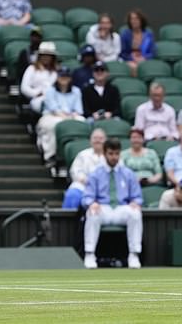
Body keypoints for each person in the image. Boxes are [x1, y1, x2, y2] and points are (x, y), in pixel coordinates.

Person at [82, 138, 143, 269]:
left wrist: (135, 202)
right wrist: (92, 203)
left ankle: (134, 254)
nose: (114, 157)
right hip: (103, 208)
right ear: (104, 154)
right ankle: (90, 254)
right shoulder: (95, 174)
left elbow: (137, 196)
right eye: (111, 153)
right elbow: (87, 197)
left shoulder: (128, 173)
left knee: (135, 213)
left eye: (116, 154)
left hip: (121, 208)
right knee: (91, 212)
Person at [35, 67, 84, 166]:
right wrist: (66, 118)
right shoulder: (50, 90)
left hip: (71, 115)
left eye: (66, 76)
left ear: (70, 78)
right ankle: (50, 156)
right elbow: (54, 109)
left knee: (82, 121)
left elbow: (78, 110)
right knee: (53, 125)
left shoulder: (76, 91)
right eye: (62, 76)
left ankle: (77, 154)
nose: (64, 78)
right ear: (57, 77)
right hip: (51, 116)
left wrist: (71, 117)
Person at [62, 128, 106, 209]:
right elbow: (75, 170)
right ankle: (68, 221)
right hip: (83, 185)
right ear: (90, 140)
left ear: (106, 141)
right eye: (95, 138)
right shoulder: (83, 154)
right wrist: (84, 180)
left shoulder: (111, 156)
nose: (98, 141)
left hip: (104, 188)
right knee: (72, 195)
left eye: (100, 138)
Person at [20, 41, 58, 113]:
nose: (46, 57)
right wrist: (37, 93)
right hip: (37, 99)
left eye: (48, 55)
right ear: (39, 56)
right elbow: (24, 88)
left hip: (54, 98)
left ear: (53, 57)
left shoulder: (56, 71)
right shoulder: (31, 68)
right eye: (43, 55)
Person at [120, 9, 155, 76]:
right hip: (130, 61)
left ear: (141, 20)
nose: (134, 21)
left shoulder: (148, 35)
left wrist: (144, 58)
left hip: (144, 60)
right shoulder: (125, 35)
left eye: (136, 19)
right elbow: (123, 53)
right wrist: (132, 58)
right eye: (132, 19)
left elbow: (152, 53)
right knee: (134, 67)